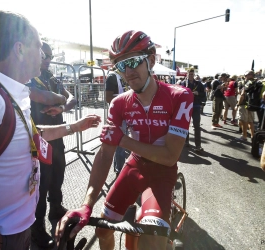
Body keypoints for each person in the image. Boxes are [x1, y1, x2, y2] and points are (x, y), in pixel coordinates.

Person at [0, 10, 101, 250]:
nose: (43, 55)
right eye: (38, 47)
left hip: (15, 232)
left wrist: (75, 127)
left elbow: (31, 137)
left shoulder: (9, 93)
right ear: (19, 50)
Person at [55, 30, 194, 250]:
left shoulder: (180, 96)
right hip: (135, 166)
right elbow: (105, 153)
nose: (128, 72)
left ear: (150, 60)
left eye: (134, 62)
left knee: (151, 243)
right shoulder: (119, 103)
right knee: (102, 228)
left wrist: (124, 141)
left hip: (162, 173)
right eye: (121, 66)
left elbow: (169, 157)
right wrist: (86, 205)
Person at [27, 42, 77, 248]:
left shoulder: (53, 78)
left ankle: (55, 208)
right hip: (39, 139)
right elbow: (42, 97)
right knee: (42, 183)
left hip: (58, 138)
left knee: (58, 175)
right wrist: (58, 100)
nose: (47, 59)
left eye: (50, 55)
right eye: (43, 55)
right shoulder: (28, 78)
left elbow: (73, 97)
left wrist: (62, 108)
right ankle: (36, 228)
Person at [105, 69, 130, 176]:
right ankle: (120, 171)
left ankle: (119, 168)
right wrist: (124, 99)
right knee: (120, 143)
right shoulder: (112, 76)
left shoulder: (124, 75)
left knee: (123, 144)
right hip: (117, 116)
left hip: (126, 114)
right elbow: (108, 98)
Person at [181, 68, 205, 152]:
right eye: (189, 74)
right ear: (187, 74)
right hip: (186, 107)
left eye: (192, 74)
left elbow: (204, 94)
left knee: (197, 126)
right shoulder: (183, 83)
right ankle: (186, 141)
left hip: (196, 106)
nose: (191, 76)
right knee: (185, 125)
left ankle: (198, 145)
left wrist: (198, 93)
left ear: (194, 75)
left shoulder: (199, 84)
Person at [235, 70, 256, 141]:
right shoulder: (255, 82)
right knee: (251, 121)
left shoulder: (245, 83)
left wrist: (238, 104)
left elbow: (242, 94)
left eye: (246, 75)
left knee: (244, 121)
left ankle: (244, 136)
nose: (245, 76)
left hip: (244, 104)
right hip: (252, 105)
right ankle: (253, 137)